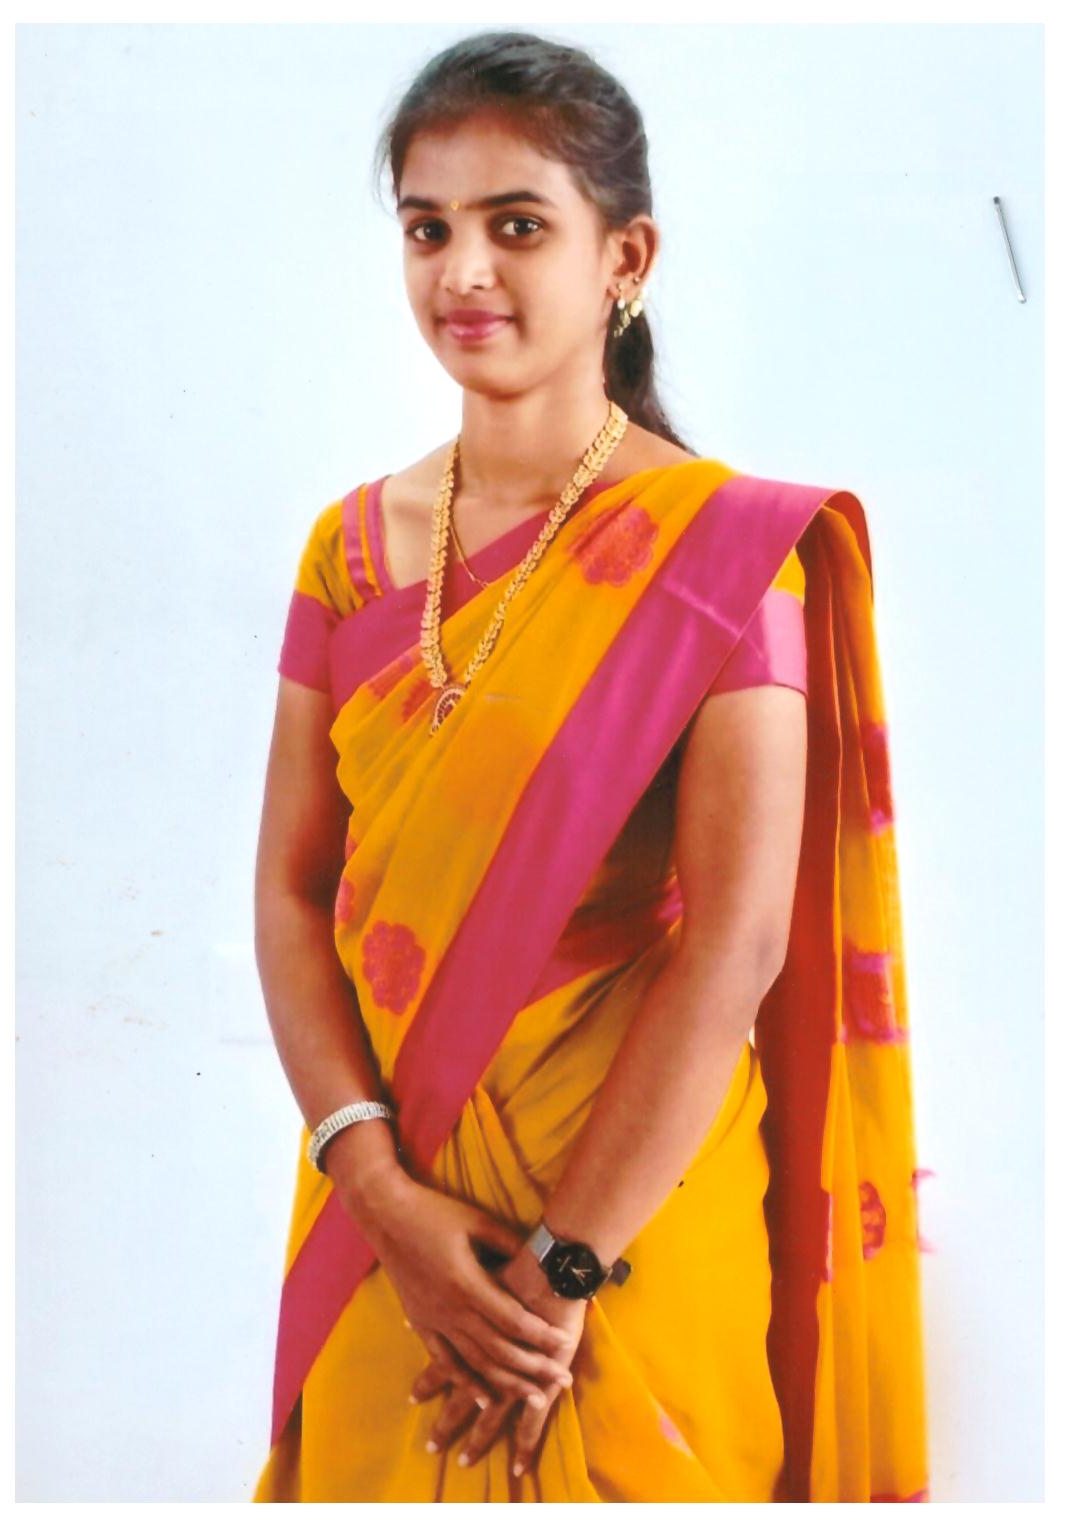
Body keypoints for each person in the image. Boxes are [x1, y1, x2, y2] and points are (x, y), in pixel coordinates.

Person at [250, 30, 929, 1504]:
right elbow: (293, 891)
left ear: (626, 258)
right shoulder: (347, 551)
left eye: (517, 226)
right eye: (427, 228)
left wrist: (560, 1272)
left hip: (627, 1223)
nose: (463, 272)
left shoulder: (722, 555)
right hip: (390, 1207)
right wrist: (379, 1195)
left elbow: (737, 943)